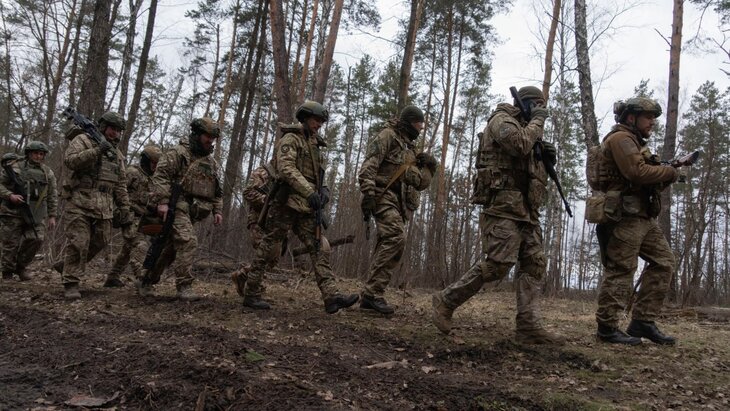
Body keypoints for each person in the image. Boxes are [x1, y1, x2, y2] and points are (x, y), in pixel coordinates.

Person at [431, 86, 565, 345]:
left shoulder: (528, 129)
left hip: (526, 211)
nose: (542, 110)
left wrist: (545, 157)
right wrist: (538, 122)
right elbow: (519, 145)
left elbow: (530, 170)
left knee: (535, 263)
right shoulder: (501, 121)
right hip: (503, 207)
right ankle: (446, 300)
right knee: (498, 265)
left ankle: (527, 326)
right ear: (526, 103)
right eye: (538, 105)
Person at [238, 100, 359, 314]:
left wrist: (324, 191)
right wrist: (309, 192)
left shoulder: (315, 145)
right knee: (269, 248)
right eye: (316, 120)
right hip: (285, 203)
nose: (319, 124)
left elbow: (318, 176)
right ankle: (251, 293)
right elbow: (286, 169)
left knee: (318, 247)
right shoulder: (291, 139)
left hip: (305, 207)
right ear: (304, 118)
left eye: (321, 121)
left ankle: (331, 297)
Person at [591, 97, 678, 345]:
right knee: (621, 269)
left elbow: (645, 175)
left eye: (653, 118)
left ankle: (643, 322)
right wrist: (670, 171)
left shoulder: (636, 143)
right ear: (631, 117)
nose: (652, 122)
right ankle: (607, 328)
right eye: (648, 117)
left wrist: (665, 172)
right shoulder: (621, 139)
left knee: (664, 262)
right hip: (624, 217)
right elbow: (636, 172)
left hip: (642, 216)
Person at [358, 105, 437, 314]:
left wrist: (430, 167)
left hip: (399, 203)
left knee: (394, 244)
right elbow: (369, 165)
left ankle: (371, 296)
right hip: (381, 195)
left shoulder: (410, 149)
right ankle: (371, 294)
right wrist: (368, 193)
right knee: (395, 236)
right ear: (408, 122)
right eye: (418, 123)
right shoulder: (387, 136)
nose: (421, 128)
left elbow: (420, 183)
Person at [136, 118, 223, 301]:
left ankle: (146, 279)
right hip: (175, 207)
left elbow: (216, 190)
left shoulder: (211, 163)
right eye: (207, 136)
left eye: (213, 137)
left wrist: (218, 210)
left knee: (169, 250)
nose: (210, 140)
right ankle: (184, 286)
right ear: (197, 134)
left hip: (193, 212)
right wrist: (163, 201)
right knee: (188, 241)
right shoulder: (179, 153)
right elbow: (160, 176)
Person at [60, 111, 132, 299]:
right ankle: (71, 282)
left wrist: (124, 207)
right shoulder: (83, 140)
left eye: (118, 130)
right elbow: (70, 161)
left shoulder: (116, 154)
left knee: (102, 239)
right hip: (80, 201)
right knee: (79, 241)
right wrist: (97, 150)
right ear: (103, 127)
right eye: (112, 128)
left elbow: (121, 183)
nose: (115, 133)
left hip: (104, 206)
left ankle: (66, 265)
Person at [106, 145, 162, 287]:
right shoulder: (132, 172)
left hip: (146, 218)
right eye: (153, 163)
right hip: (129, 215)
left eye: (157, 163)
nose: (155, 166)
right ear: (145, 160)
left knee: (127, 248)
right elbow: (117, 190)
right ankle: (142, 279)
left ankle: (112, 277)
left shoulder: (155, 179)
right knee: (139, 245)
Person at [0, 142, 57, 281]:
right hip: (12, 211)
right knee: (10, 243)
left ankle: (20, 267)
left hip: (35, 212)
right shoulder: (14, 167)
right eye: (35, 153)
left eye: (41, 154)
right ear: (29, 153)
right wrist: (10, 195)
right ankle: (7, 272)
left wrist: (52, 215)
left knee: (37, 239)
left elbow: (52, 195)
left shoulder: (47, 173)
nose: (38, 156)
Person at [232, 162, 279, 297]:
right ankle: (253, 287)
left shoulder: (287, 175)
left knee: (272, 259)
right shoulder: (264, 172)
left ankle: (243, 275)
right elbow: (248, 192)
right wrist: (266, 199)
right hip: (259, 220)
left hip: (274, 223)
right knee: (263, 254)